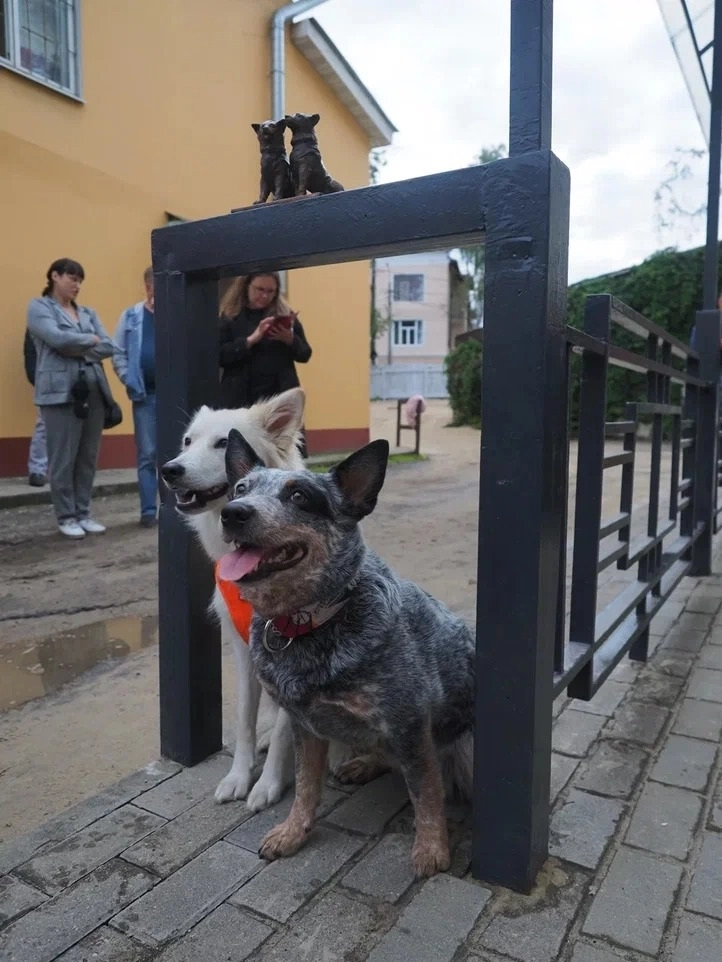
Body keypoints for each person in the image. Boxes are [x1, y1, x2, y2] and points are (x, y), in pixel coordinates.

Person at [27, 258, 115, 539]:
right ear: (54, 276)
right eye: (72, 278)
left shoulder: (87, 312)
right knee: (63, 458)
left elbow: (109, 346)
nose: (77, 285)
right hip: (59, 395)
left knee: (87, 457)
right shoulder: (40, 307)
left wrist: (78, 344)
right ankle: (66, 516)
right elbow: (56, 339)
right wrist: (89, 341)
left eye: (80, 280)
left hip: (93, 391)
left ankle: (83, 513)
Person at [218, 272, 312, 411]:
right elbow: (219, 356)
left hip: (279, 394)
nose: (265, 296)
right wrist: (250, 341)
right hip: (241, 397)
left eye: (270, 291)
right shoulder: (230, 316)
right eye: (260, 289)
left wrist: (290, 340)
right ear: (246, 286)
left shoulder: (283, 313)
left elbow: (305, 354)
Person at [113, 267, 158, 528]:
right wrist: (127, 377)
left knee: (175, 454)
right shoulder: (131, 317)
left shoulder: (176, 314)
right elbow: (117, 351)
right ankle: (148, 512)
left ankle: (174, 510)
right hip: (145, 395)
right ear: (147, 286)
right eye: (153, 286)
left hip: (173, 394)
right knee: (147, 455)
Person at [23, 330, 48, 487]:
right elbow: (30, 355)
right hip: (45, 382)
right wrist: (37, 380)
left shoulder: (75, 316)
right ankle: (37, 470)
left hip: (72, 381)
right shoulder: (37, 321)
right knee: (44, 424)